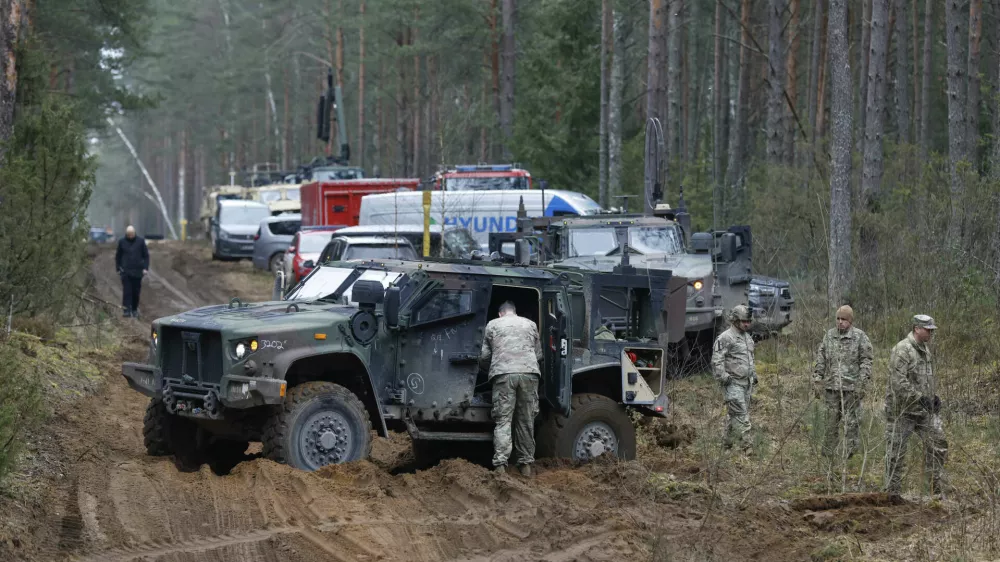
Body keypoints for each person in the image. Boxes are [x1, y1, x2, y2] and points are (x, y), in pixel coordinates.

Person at [884, 314, 948, 496]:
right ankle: (892, 495)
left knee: (938, 443)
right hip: (901, 411)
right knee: (896, 454)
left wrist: (933, 396)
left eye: (931, 330)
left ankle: (933, 491)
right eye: (928, 330)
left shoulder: (925, 350)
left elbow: (925, 379)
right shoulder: (902, 349)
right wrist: (920, 397)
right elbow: (898, 382)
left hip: (922, 411)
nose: (930, 333)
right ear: (917, 329)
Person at [479, 301, 542, 477]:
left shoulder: (492, 325)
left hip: (504, 374)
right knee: (526, 420)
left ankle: (500, 465)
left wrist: (488, 368)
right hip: (529, 373)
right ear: (514, 312)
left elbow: (484, 356)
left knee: (503, 420)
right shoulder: (530, 324)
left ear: (500, 313)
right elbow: (538, 354)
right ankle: (526, 465)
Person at [813, 305, 874, 460]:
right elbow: (821, 358)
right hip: (831, 389)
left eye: (844, 319)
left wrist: (861, 384)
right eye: (838, 319)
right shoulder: (829, 336)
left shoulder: (860, 337)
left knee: (852, 426)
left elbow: (866, 361)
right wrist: (817, 379)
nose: (840, 322)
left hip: (851, 390)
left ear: (850, 321)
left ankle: (849, 458)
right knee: (830, 425)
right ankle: (828, 458)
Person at [711, 304, 757, 454]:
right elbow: (716, 359)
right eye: (744, 321)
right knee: (741, 415)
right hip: (733, 383)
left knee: (734, 415)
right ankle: (748, 447)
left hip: (746, 383)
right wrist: (723, 377)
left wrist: (753, 375)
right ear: (735, 320)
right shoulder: (725, 337)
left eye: (748, 321)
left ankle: (726, 447)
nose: (747, 324)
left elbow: (750, 358)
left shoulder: (747, 338)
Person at [115, 225, 149, 318]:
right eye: (129, 234)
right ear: (126, 234)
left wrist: (145, 268)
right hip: (125, 271)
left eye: (132, 234)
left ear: (134, 233)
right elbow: (118, 256)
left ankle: (134, 309)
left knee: (135, 292)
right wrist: (118, 268)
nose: (130, 236)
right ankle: (126, 310)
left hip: (137, 272)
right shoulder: (122, 242)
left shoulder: (140, 242)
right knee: (127, 291)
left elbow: (146, 256)